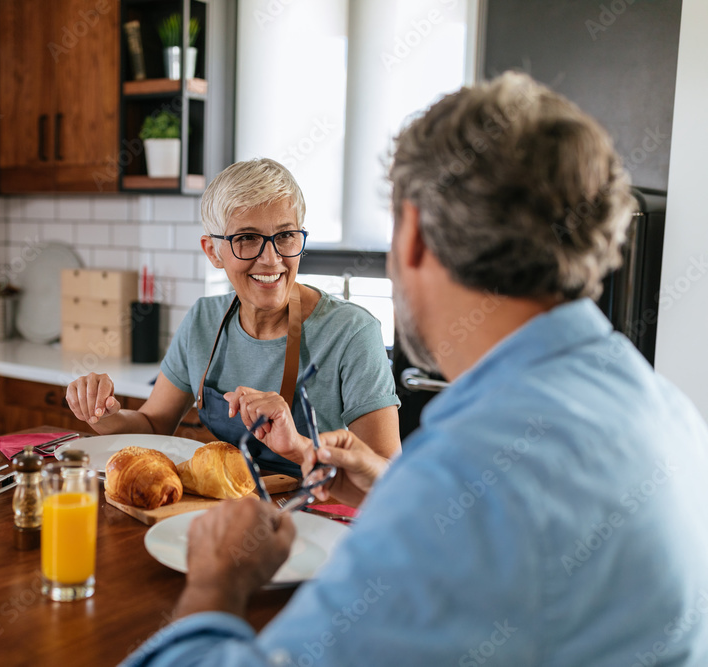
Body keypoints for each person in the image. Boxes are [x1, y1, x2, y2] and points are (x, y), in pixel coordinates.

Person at [120, 72, 708, 665]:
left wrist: (216, 581)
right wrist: (394, 490)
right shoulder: (671, 413)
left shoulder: (468, 474)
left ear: (416, 238)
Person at [66, 158, 401, 476]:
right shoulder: (203, 320)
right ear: (213, 251)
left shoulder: (352, 333)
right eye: (247, 238)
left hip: (315, 515)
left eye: (285, 236)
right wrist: (103, 413)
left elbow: (386, 473)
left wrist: (297, 446)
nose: (271, 259)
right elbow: (153, 425)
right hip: (225, 511)